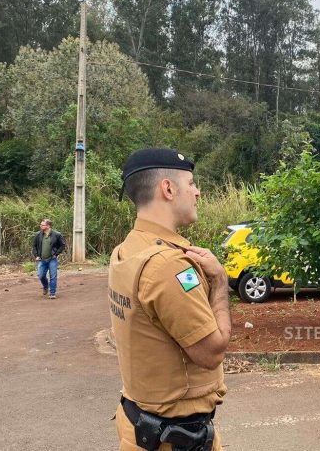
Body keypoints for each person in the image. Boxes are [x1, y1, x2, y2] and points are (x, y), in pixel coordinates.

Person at [109, 148, 231, 451]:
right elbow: (211, 352)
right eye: (191, 184)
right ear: (168, 188)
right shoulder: (167, 265)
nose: (197, 192)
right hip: (174, 439)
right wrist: (219, 282)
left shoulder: (125, 250)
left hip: (137, 424)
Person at [32, 219, 66, 299]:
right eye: (41, 225)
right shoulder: (38, 235)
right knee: (41, 276)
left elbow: (62, 245)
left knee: (53, 276)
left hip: (52, 259)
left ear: (48, 226)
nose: (41, 226)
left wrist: (56, 253)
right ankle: (45, 286)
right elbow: (34, 246)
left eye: (42, 225)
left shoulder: (57, 235)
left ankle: (52, 293)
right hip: (42, 259)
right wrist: (36, 255)